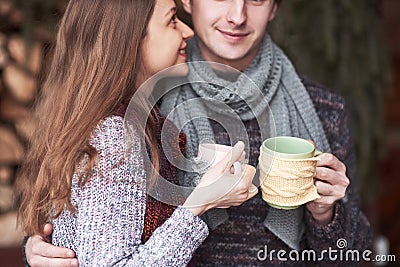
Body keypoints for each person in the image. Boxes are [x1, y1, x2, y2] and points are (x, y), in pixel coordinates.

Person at [24, 0, 372, 266]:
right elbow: (89, 219)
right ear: (188, 2)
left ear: (275, 8)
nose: (238, 15)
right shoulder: (146, 97)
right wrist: (45, 249)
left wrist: (327, 215)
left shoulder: (323, 110)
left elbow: (355, 256)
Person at [15, 0, 258, 266]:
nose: (188, 32)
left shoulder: (124, 118)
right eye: (172, 20)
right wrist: (199, 204)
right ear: (132, 39)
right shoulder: (114, 138)